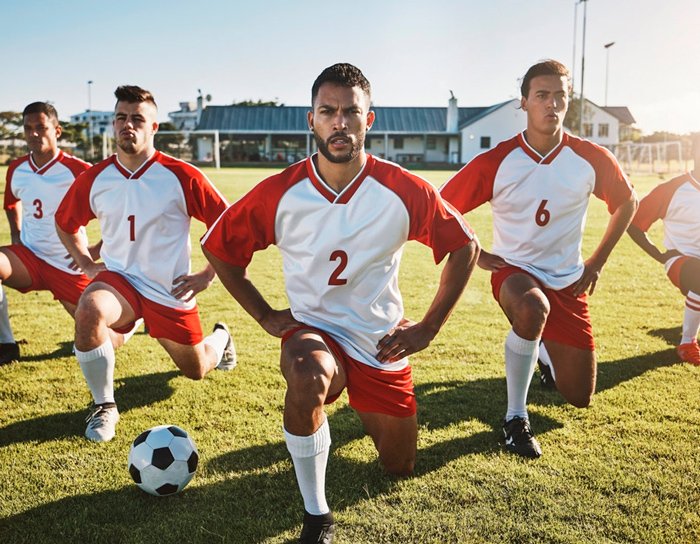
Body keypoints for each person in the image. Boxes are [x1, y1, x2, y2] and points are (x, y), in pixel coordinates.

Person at [202, 63, 479, 543]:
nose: (339, 122)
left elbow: (464, 245)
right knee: (309, 376)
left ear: (369, 120)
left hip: (381, 340)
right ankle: (317, 514)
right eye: (328, 111)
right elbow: (219, 248)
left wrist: (429, 327)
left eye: (351, 112)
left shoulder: (401, 188)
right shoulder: (281, 191)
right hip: (313, 330)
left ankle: (351, 410)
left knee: (400, 466)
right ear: (311, 120)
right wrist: (266, 315)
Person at [440, 59, 637, 458]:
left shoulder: (589, 157)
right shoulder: (499, 160)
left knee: (579, 395)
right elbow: (442, 207)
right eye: (542, 96)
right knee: (532, 307)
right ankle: (515, 418)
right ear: (524, 102)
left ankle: (542, 352)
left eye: (560, 96)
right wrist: (478, 253)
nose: (552, 104)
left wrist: (596, 263)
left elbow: (628, 202)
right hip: (515, 272)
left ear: (570, 102)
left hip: (567, 280)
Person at [55, 85, 236, 443]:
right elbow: (65, 223)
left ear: (154, 127)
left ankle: (221, 338)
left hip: (169, 289)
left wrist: (208, 273)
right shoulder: (95, 178)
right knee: (89, 310)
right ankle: (104, 405)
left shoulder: (181, 175)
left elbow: (227, 223)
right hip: (119, 281)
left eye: (137, 119)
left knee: (196, 368)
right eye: (121, 118)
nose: (128, 125)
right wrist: (87, 264)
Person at [1, 102, 94, 365]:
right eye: (28, 128)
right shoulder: (17, 168)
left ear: (57, 130)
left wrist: (95, 251)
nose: (34, 134)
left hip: (68, 264)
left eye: (41, 127)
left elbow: (115, 214)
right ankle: (6, 345)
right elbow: (10, 203)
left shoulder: (79, 170)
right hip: (28, 258)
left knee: (105, 336)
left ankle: (135, 322)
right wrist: (16, 234)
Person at [627, 134, 700, 365]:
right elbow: (634, 224)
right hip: (680, 260)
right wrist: (659, 255)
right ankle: (688, 343)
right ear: (694, 152)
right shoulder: (672, 189)